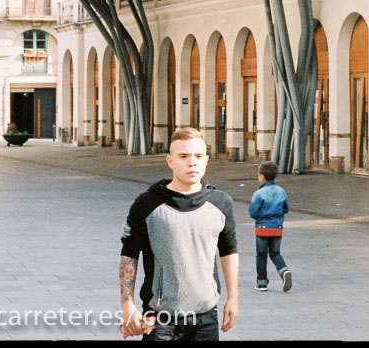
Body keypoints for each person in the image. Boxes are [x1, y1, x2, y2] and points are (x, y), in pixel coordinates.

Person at [118, 127, 239, 340]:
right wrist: (127, 305)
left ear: (206, 160)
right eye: (183, 156)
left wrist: (233, 298)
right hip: (160, 318)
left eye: (198, 156)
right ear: (170, 161)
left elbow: (229, 249)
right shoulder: (147, 203)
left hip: (205, 318)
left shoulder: (221, 203)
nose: (192, 162)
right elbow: (129, 253)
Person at [248, 160, 293, 293]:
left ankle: (262, 282)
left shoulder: (259, 193)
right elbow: (286, 208)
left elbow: (253, 212)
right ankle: (284, 271)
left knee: (261, 255)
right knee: (275, 253)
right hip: (277, 228)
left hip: (262, 228)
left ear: (261, 176)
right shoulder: (281, 191)